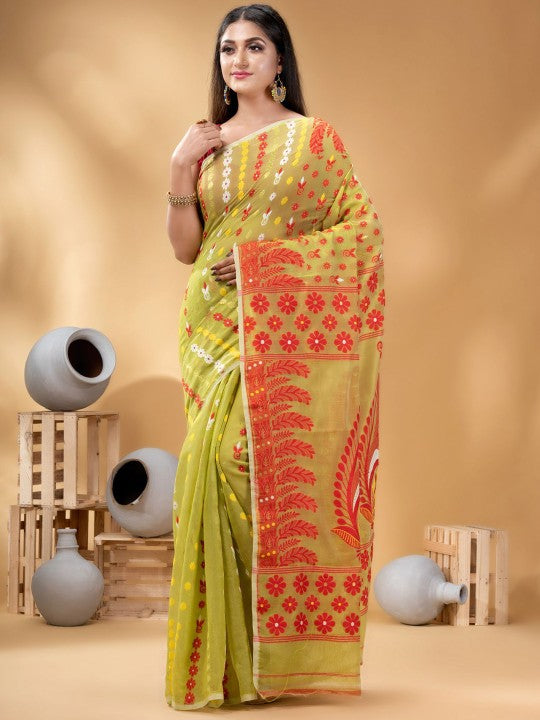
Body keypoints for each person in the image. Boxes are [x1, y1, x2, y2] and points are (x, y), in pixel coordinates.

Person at [165, 3, 385, 711]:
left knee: (246, 463)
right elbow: (186, 249)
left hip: (274, 321)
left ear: (279, 60)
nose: (239, 59)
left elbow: (361, 234)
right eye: (228, 48)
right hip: (210, 326)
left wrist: (265, 266)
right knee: (209, 464)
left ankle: (269, 658)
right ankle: (230, 668)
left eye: (254, 47)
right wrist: (180, 167)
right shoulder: (205, 142)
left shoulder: (314, 141)